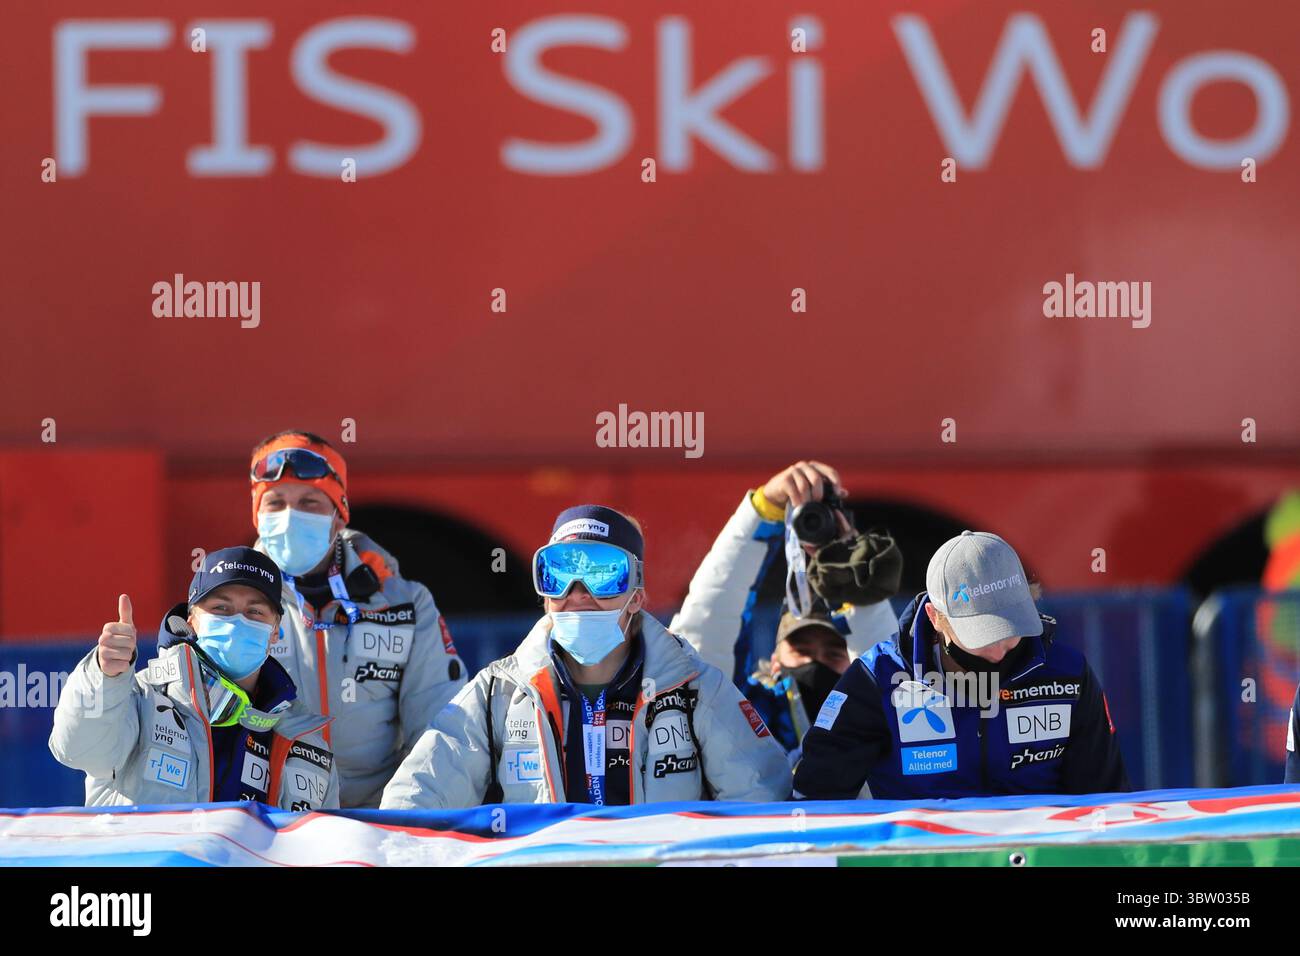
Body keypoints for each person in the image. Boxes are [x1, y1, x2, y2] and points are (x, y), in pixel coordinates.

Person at [381, 505, 792, 808]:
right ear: (543, 593)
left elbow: (761, 799)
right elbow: (415, 799)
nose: (578, 592)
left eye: (602, 573)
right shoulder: (499, 693)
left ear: (637, 594)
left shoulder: (694, 688)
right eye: (557, 573)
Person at [794, 531, 1129, 799]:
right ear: (935, 617)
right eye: (982, 635)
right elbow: (815, 805)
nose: (999, 651)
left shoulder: (1068, 675)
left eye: (1012, 630)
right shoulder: (878, 679)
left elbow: (1106, 802)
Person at [249, 430, 466, 807]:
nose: (290, 517)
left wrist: (407, 819)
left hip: (377, 822)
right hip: (269, 823)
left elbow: (440, 725)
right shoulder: (227, 603)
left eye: (310, 503)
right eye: (276, 503)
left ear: (338, 516)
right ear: (257, 516)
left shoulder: (404, 602)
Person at [50, 547, 339, 809]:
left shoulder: (308, 743)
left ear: (276, 631)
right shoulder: (142, 696)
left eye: (255, 612)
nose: (237, 621)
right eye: (221, 609)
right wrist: (104, 676)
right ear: (192, 621)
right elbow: (78, 750)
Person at [670, 461, 901, 754]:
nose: (815, 662)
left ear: (857, 659)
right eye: (801, 650)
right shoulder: (745, 716)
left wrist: (855, 579)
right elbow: (707, 635)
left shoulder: (878, 731)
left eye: (832, 653)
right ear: (774, 659)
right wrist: (762, 512)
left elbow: (889, 677)